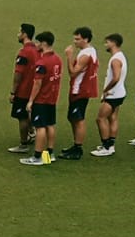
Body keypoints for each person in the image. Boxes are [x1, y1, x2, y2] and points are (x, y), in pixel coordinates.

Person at [19, 32, 62, 166]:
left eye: (37, 42)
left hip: (42, 99)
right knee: (50, 125)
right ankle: (49, 155)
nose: (35, 45)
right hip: (52, 98)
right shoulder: (57, 59)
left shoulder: (42, 62)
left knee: (40, 127)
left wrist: (31, 101)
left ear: (43, 43)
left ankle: (37, 156)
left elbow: (37, 83)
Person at [60, 27, 98, 160]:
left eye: (77, 39)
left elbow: (73, 72)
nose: (75, 41)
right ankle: (75, 145)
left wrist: (69, 57)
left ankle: (78, 148)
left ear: (86, 39)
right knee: (72, 118)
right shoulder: (90, 51)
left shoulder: (84, 55)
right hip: (80, 90)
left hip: (80, 90)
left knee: (78, 118)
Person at [91, 33, 128, 157]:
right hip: (120, 93)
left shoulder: (115, 60)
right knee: (113, 118)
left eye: (107, 42)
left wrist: (106, 89)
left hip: (113, 95)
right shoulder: (121, 56)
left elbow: (116, 77)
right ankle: (110, 145)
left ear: (113, 43)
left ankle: (106, 147)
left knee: (100, 118)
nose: (105, 45)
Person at [8, 23, 39, 153]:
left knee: (22, 117)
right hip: (36, 90)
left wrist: (13, 92)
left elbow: (18, 74)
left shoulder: (24, 52)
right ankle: (32, 132)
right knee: (33, 114)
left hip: (24, 90)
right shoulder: (38, 50)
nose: (18, 34)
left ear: (25, 34)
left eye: (19, 32)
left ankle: (23, 144)